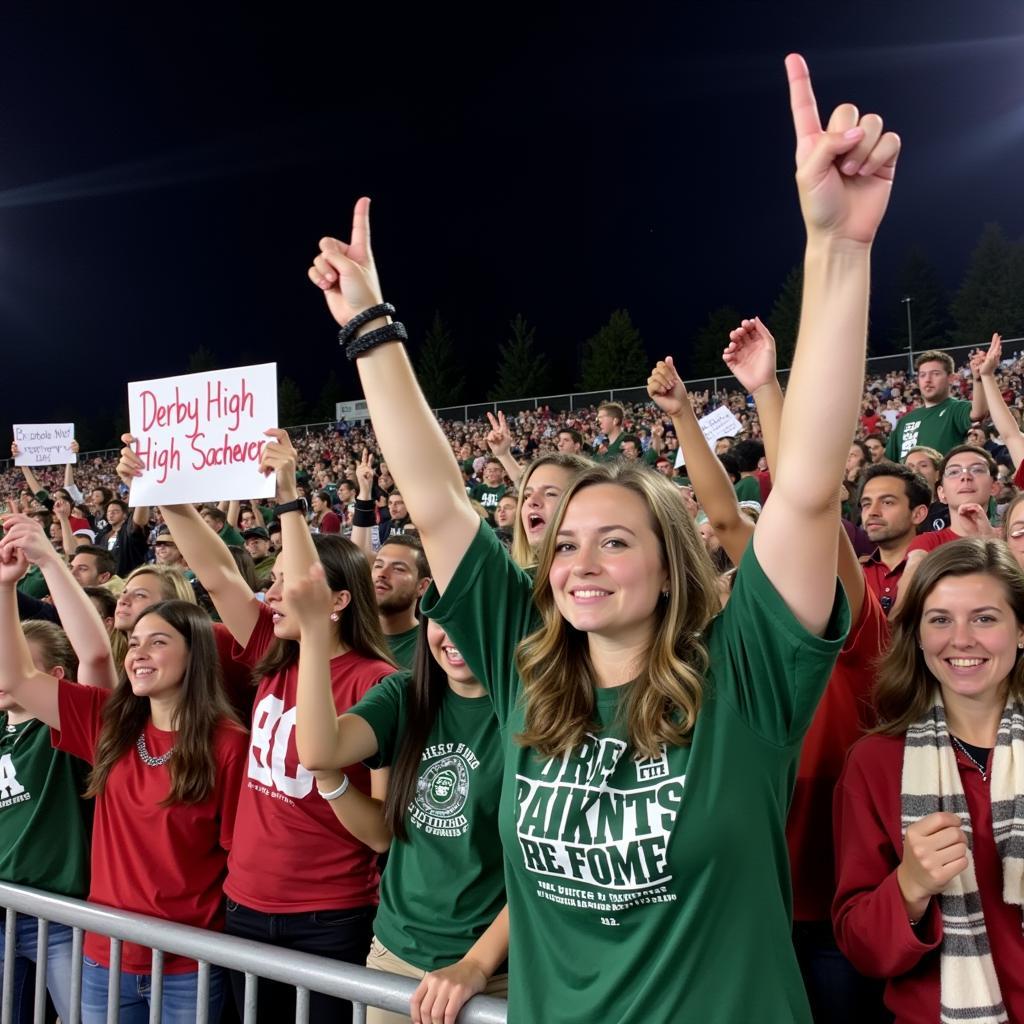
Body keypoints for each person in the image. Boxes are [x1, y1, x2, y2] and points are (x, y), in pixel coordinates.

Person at [307, 52, 898, 1021]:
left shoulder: (741, 677)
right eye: (567, 541)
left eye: (615, 541)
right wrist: (371, 327)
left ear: (671, 568)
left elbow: (800, 495)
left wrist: (836, 250)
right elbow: (442, 504)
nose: (579, 561)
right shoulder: (524, 669)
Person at [120, 428, 395, 1024]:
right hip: (242, 903)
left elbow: (383, 831)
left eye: (281, 584)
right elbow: (217, 571)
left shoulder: (378, 681)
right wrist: (163, 486)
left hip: (329, 913)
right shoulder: (274, 648)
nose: (270, 593)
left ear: (336, 601)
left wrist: (290, 495)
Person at [0, 536, 247, 1024]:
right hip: (102, 954)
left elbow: (237, 860)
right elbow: (17, 679)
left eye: (158, 642)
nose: (137, 654)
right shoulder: (109, 722)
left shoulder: (229, 745)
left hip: (188, 962)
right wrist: (7, 586)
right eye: (134, 643)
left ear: (195, 654)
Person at [291, 573, 508, 1024]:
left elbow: (539, 870)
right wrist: (313, 633)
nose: (454, 633)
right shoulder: (404, 694)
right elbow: (318, 751)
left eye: (473, 616)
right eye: (441, 617)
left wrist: (476, 965)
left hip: (496, 975)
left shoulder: (531, 714)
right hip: (395, 957)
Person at [833, 539, 1024, 1022]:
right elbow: (864, 951)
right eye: (940, 620)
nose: (961, 639)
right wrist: (909, 886)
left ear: (1021, 631)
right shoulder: (874, 763)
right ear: (917, 636)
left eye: (985, 618)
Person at [0, 619, 90, 1024]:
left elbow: (97, 657)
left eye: (16, 665)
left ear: (55, 677)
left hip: (58, 919)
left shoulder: (65, 731)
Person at [885, 349, 988, 462]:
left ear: (951, 378)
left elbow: (978, 412)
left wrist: (978, 379)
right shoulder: (905, 420)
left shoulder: (955, 409)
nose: (928, 380)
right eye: (922, 375)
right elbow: (889, 461)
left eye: (935, 374)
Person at [857, 462, 931, 614]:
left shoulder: (937, 570)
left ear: (918, 514)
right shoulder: (855, 574)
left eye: (887, 502)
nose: (872, 512)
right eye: (866, 504)